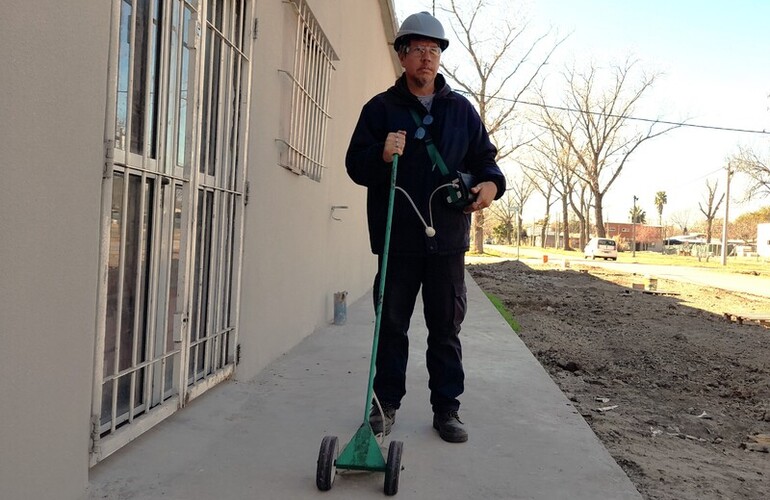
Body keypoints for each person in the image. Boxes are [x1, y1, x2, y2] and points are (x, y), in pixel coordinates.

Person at [345, 11, 506, 443]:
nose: (426, 58)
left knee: (446, 329)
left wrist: (490, 185)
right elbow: (354, 166)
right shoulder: (379, 110)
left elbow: (487, 163)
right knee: (391, 328)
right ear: (402, 56)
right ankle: (385, 405)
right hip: (397, 241)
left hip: (447, 244)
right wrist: (380, 153)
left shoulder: (461, 111)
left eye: (433, 51)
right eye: (418, 49)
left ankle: (447, 409)